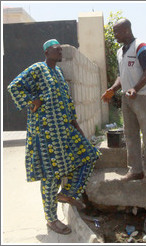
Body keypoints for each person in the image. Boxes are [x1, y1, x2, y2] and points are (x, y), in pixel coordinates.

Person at [8, 39, 100, 234]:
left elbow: (67, 102)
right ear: (46, 52)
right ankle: (51, 219)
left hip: (64, 131)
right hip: (45, 135)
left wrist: (76, 126)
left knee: (89, 155)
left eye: (60, 49)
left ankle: (67, 194)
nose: (60, 51)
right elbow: (14, 86)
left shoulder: (58, 73)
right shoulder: (37, 69)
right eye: (56, 49)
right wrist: (33, 101)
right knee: (51, 177)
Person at [101, 19, 146, 182]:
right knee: (131, 135)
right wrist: (113, 89)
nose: (114, 36)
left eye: (116, 32)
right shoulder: (120, 51)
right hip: (127, 98)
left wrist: (136, 88)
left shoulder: (141, 47)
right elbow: (121, 75)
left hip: (143, 96)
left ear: (126, 30)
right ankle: (136, 170)